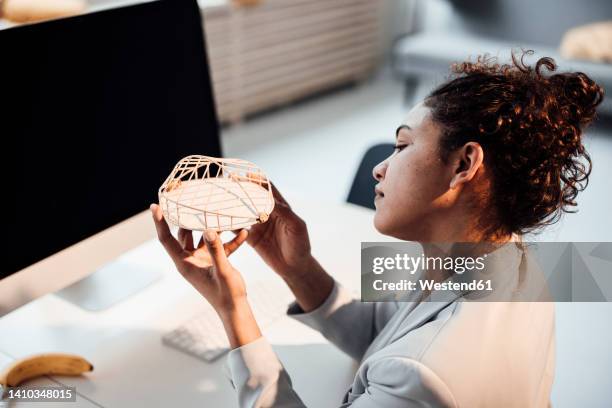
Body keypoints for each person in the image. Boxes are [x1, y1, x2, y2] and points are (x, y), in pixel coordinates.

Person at [150, 51, 604, 407]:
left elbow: (408, 360)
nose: (380, 169)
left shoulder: (424, 377)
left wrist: (235, 313)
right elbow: (385, 333)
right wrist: (299, 268)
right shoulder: (498, 254)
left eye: (403, 145)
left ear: (464, 164)